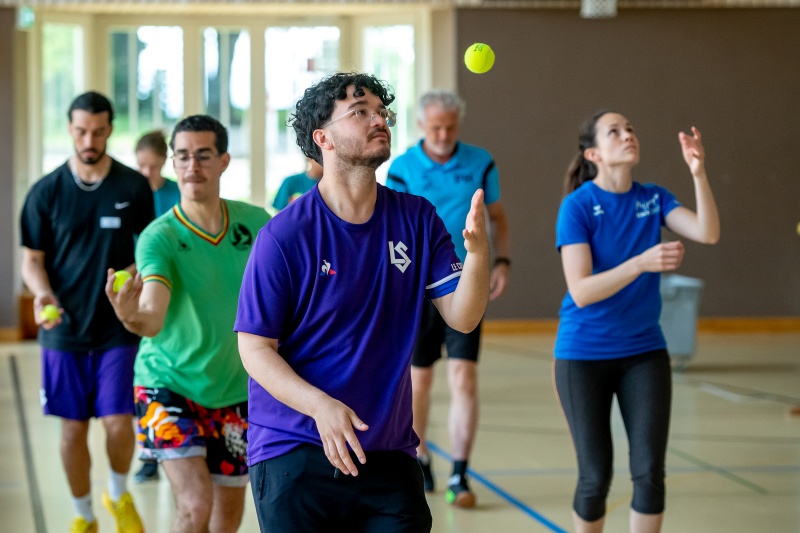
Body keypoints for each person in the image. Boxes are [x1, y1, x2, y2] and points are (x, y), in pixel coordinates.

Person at [234, 72, 490, 532]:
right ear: (323, 139)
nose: (378, 120)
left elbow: (463, 317)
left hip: (387, 451)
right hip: (297, 448)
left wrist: (478, 255)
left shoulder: (417, 218)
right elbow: (254, 349)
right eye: (360, 112)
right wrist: (320, 406)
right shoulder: (284, 235)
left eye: (381, 112)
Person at [554, 110, 720, 533]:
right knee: (595, 478)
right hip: (583, 356)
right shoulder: (577, 207)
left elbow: (707, 232)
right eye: (614, 131)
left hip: (645, 352)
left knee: (649, 473)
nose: (628, 135)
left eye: (630, 129)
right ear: (593, 153)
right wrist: (641, 263)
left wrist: (698, 173)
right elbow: (581, 291)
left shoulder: (654, 198)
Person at [105, 114, 270, 533]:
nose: (192, 165)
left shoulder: (257, 224)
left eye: (203, 155)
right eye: (182, 156)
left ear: (224, 161)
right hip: (167, 384)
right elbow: (152, 316)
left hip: (235, 390)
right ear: (173, 163)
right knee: (195, 506)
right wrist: (128, 314)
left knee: (226, 520)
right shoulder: (157, 237)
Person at [20, 91, 153, 533]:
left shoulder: (132, 187)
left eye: (98, 131)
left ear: (110, 129)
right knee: (72, 431)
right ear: (70, 129)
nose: (89, 140)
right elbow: (32, 260)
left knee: (118, 423)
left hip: (118, 327)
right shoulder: (46, 192)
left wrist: (130, 277)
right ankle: (84, 515)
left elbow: (148, 251)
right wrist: (43, 294)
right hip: (64, 330)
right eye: (80, 131)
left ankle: (117, 494)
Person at [385, 89, 510, 507]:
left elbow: (497, 217)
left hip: (465, 282)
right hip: (418, 289)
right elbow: (393, 228)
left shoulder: (480, 161)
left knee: (464, 377)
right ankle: (420, 457)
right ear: (421, 125)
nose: (442, 135)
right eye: (435, 127)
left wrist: (501, 261)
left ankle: (460, 470)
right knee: (419, 381)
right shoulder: (402, 168)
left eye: (450, 127)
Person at [136, 129, 181, 217]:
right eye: (141, 165)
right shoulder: (129, 194)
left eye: (154, 166)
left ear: (164, 160)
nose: (147, 173)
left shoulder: (180, 194)